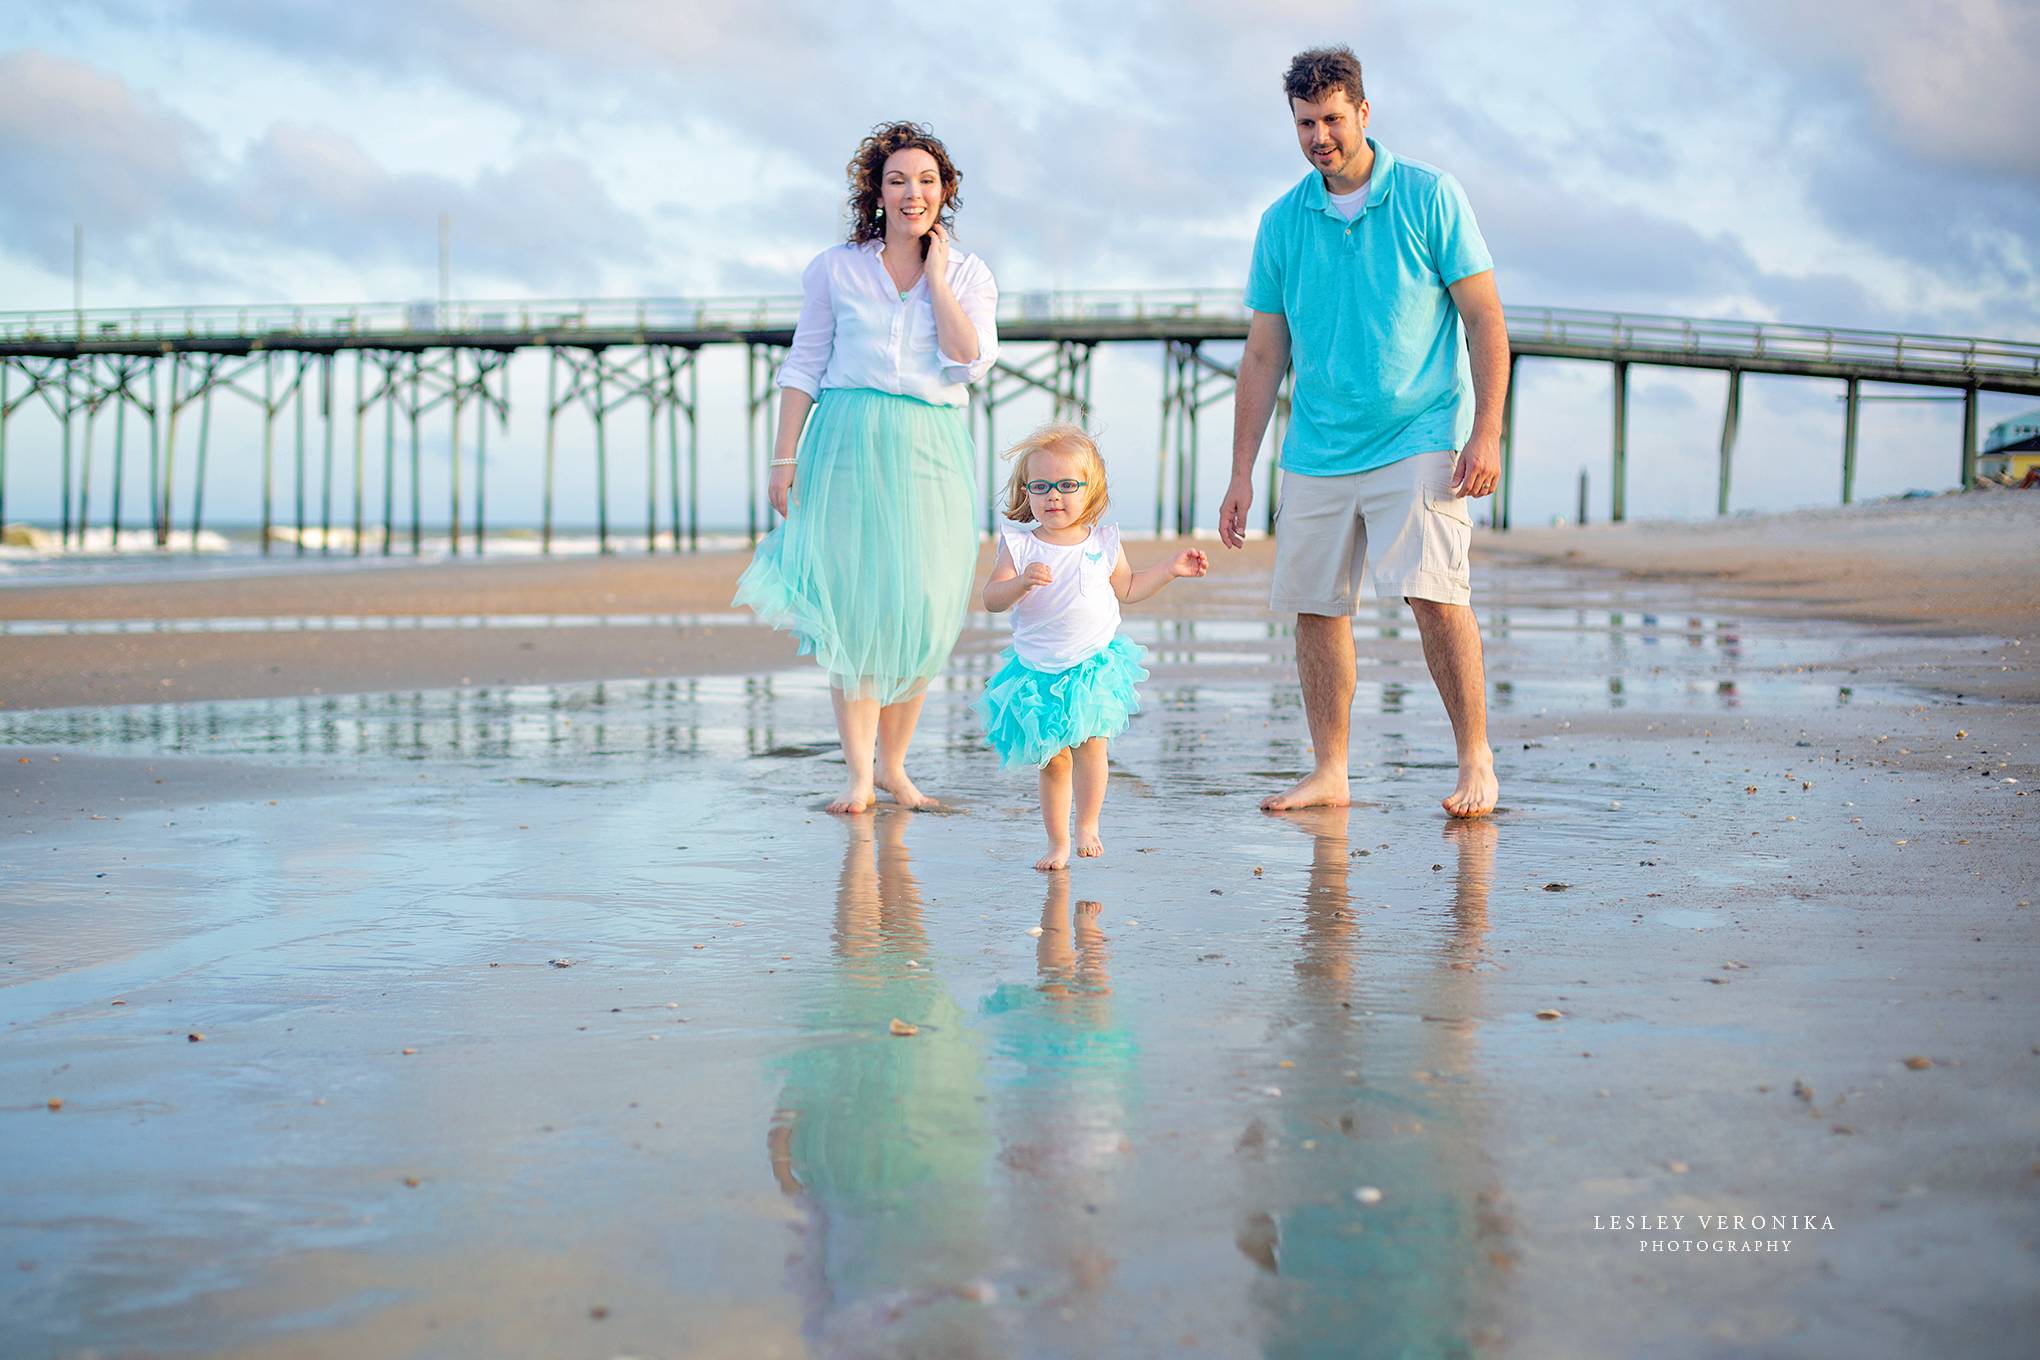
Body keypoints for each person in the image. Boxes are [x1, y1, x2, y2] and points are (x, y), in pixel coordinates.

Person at [1217, 45, 1510, 819]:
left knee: (1433, 594)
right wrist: (1242, 471)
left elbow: (1484, 317)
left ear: (1364, 112)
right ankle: (1331, 770)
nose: (1321, 137)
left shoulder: (1428, 195)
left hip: (1416, 432)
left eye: (1333, 120)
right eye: (1307, 123)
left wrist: (1488, 432)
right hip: (1315, 444)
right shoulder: (1283, 221)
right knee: (1317, 607)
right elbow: (1262, 352)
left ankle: (1476, 758)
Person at [733, 121, 997, 814]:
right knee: (855, 612)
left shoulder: (970, 274)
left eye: (927, 181)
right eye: (898, 180)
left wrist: (937, 279)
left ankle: (896, 768)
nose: (914, 193)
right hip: (846, 439)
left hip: (929, 445)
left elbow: (970, 360)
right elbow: (804, 364)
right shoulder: (834, 268)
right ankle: (857, 773)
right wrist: (782, 458)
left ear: (946, 193)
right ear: (876, 193)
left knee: (921, 608)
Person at [978, 424, 1208, 870]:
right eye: (1040, 486)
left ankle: (1088, 824)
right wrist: (1020, 583)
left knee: (1092, 745)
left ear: (1092, 489)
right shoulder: (1019, 544)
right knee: (1053, 761)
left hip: (1092, 665)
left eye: (1066, 485)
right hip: (1037, 670)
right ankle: (1057, 841)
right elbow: (991, 599)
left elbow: (1129, 588)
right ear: (1027, 492)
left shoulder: (1103, 542)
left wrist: (1171, 568)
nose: (1053, 497)